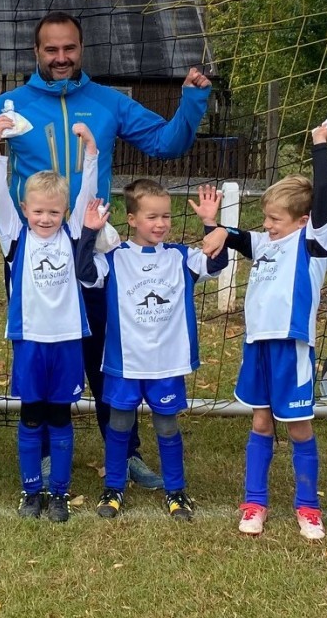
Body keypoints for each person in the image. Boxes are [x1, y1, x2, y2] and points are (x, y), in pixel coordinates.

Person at [0, 10, 213, 489]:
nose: (61, 57)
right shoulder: (11, 105)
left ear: (81, 49)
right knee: (46, 354)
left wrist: (192, 101)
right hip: (34, 261)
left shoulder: (108, 103)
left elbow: (166, 144)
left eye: (69, 48)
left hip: (92, 253)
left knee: (104, 353)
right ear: (36, 52)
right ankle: (46, 456)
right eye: (51, 49)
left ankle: (128, 452)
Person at [203, 125, 327, 540]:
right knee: (261, 423)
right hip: (257, 346)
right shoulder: (267, 243)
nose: (268, 225)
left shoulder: (315, 244)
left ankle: (308, 508)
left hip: (291, 349)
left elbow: (326, 199)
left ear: (303, 220)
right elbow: (242, 238)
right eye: (266, 218)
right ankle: (254, 502)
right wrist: (216, 225)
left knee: (298, 428)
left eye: (275, 219)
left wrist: (319, 145)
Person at [92, 181, 228, 521]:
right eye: (152, 216)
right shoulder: (114, 257)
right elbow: (84, 273)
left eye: (166, 216)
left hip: (166, 363)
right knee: (119, 424)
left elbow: (217, 263)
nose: (160, 223)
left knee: (167, 428)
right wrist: (86, 231)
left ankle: (176, 491)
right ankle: (113, 488)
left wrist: (212, 224)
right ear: (132, 218)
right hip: (125, 362)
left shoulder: (181, 257)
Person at [0, 117, 103, 523]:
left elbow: (89, 194)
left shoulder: (72, 235)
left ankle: (59, 492)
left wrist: (90, 152)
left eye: (54, 211)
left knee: (59, 415)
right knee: (31, 415)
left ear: (64, 212)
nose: (45, 217)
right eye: (37, 210)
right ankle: (30, 490)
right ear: (25, 209)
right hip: (30, 340)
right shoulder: (14, 237)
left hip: (68, 339)